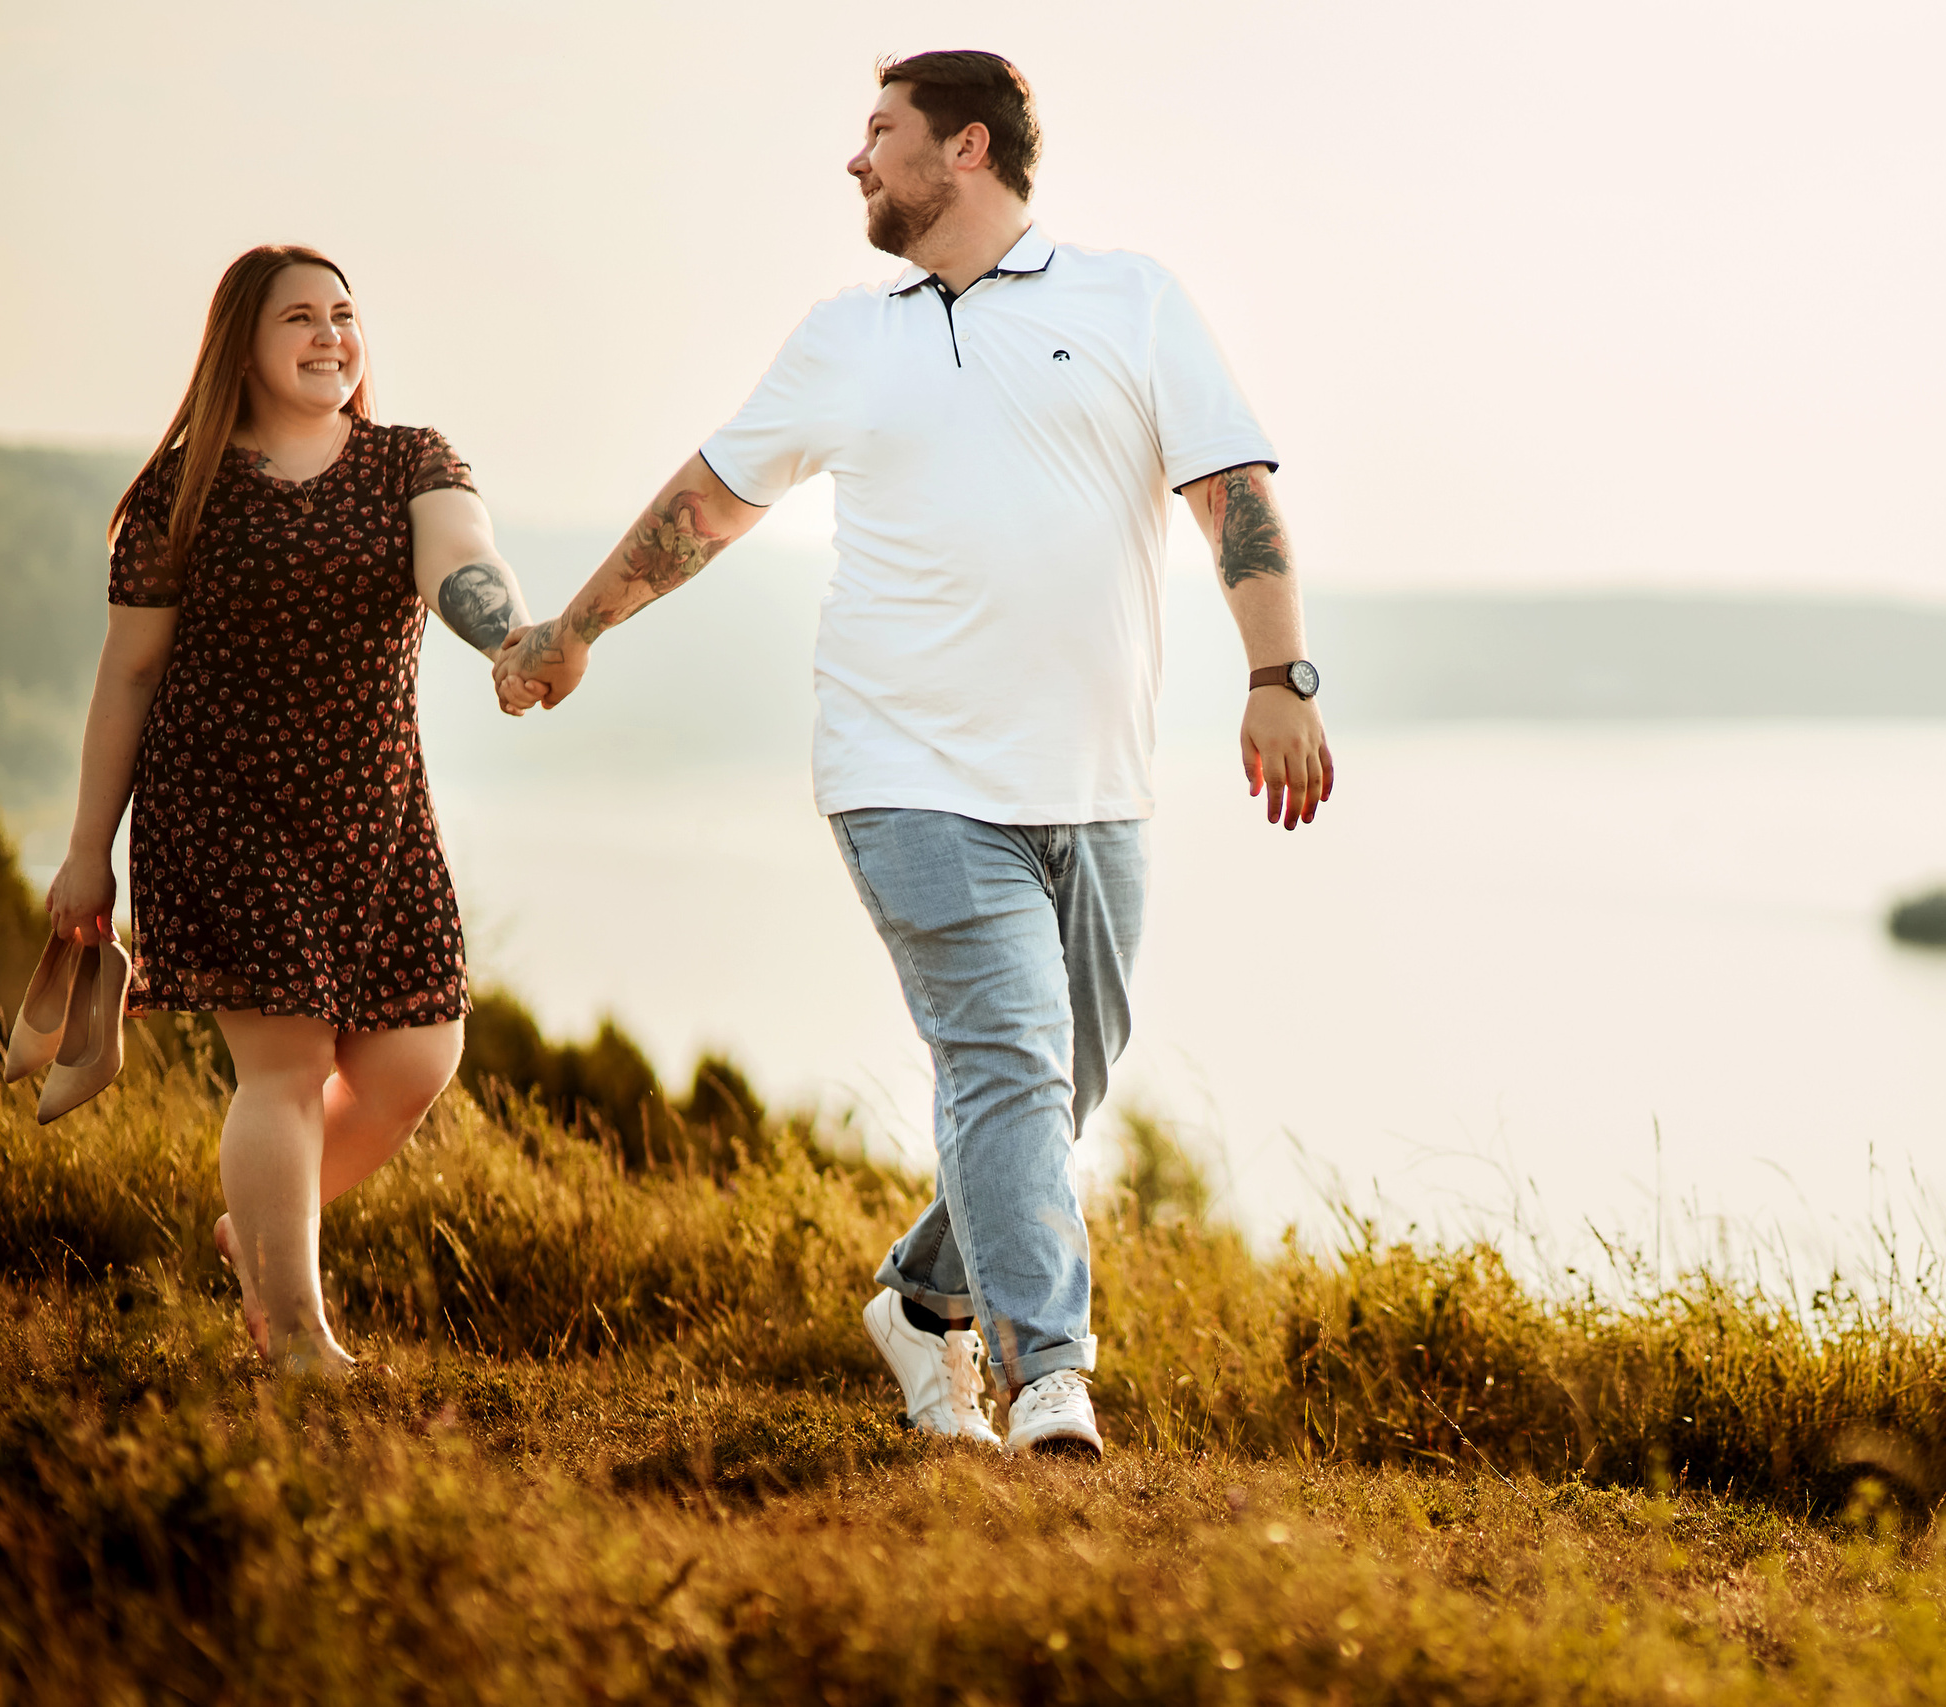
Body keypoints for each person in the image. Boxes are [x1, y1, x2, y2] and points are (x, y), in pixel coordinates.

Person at [494, 50, 1332, 1456]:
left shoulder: (1129, 298)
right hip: (907, 773)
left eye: (879, 130)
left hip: (1094, 781)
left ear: (967, 148)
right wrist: (576, 628)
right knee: (1007, 1057)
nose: (855, 157)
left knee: (1067, 1073)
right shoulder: (846, 336)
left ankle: (924, 1298)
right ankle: (1049, 1372)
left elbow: (1230, 492)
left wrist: (1277, 672)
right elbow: (708, 504)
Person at [43, 245, 534, 1373]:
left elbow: (464, 557)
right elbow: (129, 673)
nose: (330, 336)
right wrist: (87, 850)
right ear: (243, 345)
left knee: (418, 1058)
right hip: (223, 806)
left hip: (375, 811)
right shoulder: (182, 489)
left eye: (344, 314)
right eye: (300, 317)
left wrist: (511, 636)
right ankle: (298, 1334)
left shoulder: (411, 459)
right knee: (286, 1064)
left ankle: (263, 1226)